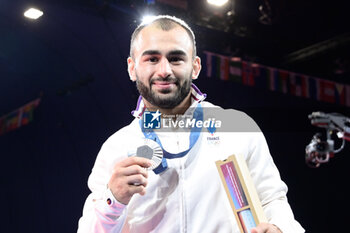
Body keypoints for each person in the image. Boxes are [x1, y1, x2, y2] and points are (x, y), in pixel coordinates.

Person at [77, 15, 304, 233]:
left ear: (195, 66)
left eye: (176, 58)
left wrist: (278, 227)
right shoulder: (116, 147)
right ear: (132, 68)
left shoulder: (236, 127)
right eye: (152, 59)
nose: (164, 70)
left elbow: (273, 201)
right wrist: (113, 200)